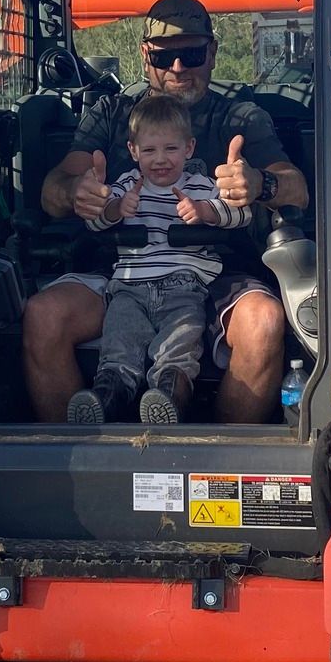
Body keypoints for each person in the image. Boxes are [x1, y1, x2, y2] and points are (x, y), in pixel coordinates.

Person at [24, 0, 310, 423]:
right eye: (164, 56)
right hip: (120, 272)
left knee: (264, 321)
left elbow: (297, 190)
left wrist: (260, 182)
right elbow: (53, 191)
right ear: (145, 56)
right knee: (43, 316)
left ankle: (218, 469)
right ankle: (79, 466)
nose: (178, 68)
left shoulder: (242, 118)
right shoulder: (109, 113)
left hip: (216, 275)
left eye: (191, 54)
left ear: (212, 52)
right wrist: (78, 192)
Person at [68, 94, 251, 426]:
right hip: (128, 287)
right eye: (150, 151)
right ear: (134, 151)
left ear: (189, 148)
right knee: (119, 341)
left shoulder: (200, 186)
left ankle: (169, 395)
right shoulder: (124, 186)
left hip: (183, 287)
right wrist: (114, 210)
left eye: (170, 149)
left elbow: (240, 215)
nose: (161, 159)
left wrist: (204, 211)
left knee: (179, 343)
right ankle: (107, 396)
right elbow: (95, 221)